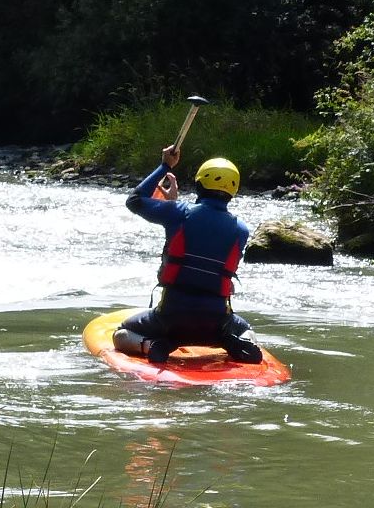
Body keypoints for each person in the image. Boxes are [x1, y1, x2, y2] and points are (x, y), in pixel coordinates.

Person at [112, 145, 263, 364]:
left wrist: (165, 166)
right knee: (245, 329)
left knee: (121, 335)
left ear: (199, 183)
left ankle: (152, 345)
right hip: (216, 322)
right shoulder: (241, 229)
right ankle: (236, 343)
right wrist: (174, 205)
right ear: (233, 190)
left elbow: (135, 200)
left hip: (171, 319)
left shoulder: (178, 213)